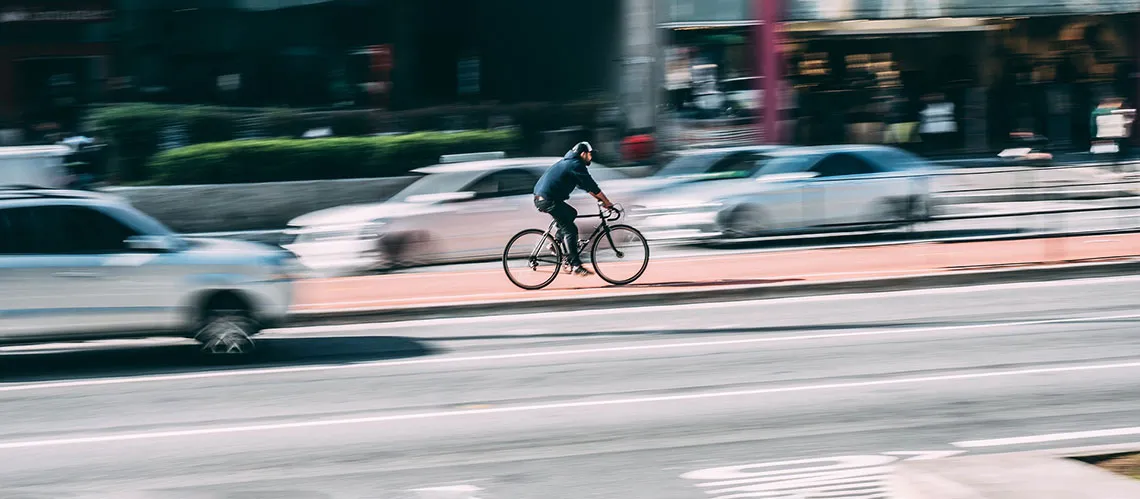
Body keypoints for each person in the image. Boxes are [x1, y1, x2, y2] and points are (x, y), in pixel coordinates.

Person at [533, 141, 615, 277]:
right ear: (583, 154)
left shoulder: (570, 163)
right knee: (571, 229)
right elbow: (592, 186)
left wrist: (601, 200)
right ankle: (576, 265)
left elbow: (587, 187)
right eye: (590, 155)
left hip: (545, 198)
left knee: (571, 213)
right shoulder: (575, 164)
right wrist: (607, 202)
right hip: (547, 200)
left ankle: (556, 243)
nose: (591, 158)